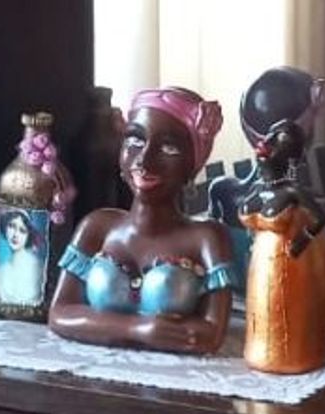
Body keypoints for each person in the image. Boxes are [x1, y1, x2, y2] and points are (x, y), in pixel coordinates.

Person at [47, 86, 236, 355]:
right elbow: (59, 314)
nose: (145, 160)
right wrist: (136, 329)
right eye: (135, 140)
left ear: (192, 164)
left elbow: (211, 334)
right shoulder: (97, 227)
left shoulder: (207, 238)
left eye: (169, 147)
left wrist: (104, 327)